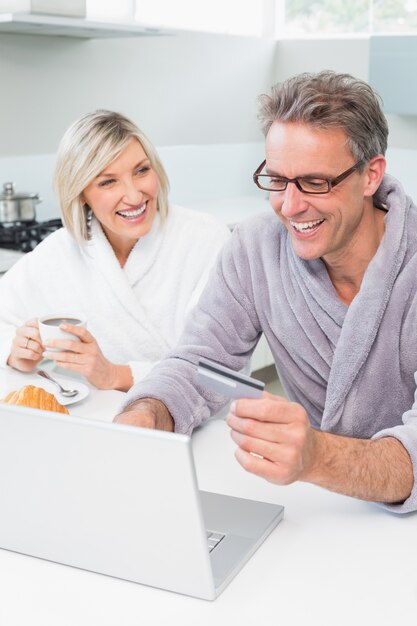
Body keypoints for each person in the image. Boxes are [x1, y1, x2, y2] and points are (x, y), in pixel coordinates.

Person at [115, 71, 417, 514]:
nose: (290, 207)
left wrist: (317, 456)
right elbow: (199, 362)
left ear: (371, 175)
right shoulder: (257, 248)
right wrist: (143, 415)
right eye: (277, 179)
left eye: (315, 182)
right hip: (326, 511)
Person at [0, 110, 230, 390]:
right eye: (108, 181)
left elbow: (225, 378)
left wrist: (114, 375)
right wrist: (15, 351)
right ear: (81, 192)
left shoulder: (206, 240)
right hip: (94, 420)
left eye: (142, 170)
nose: (134, 196)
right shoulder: (59, 252)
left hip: (195, 425)